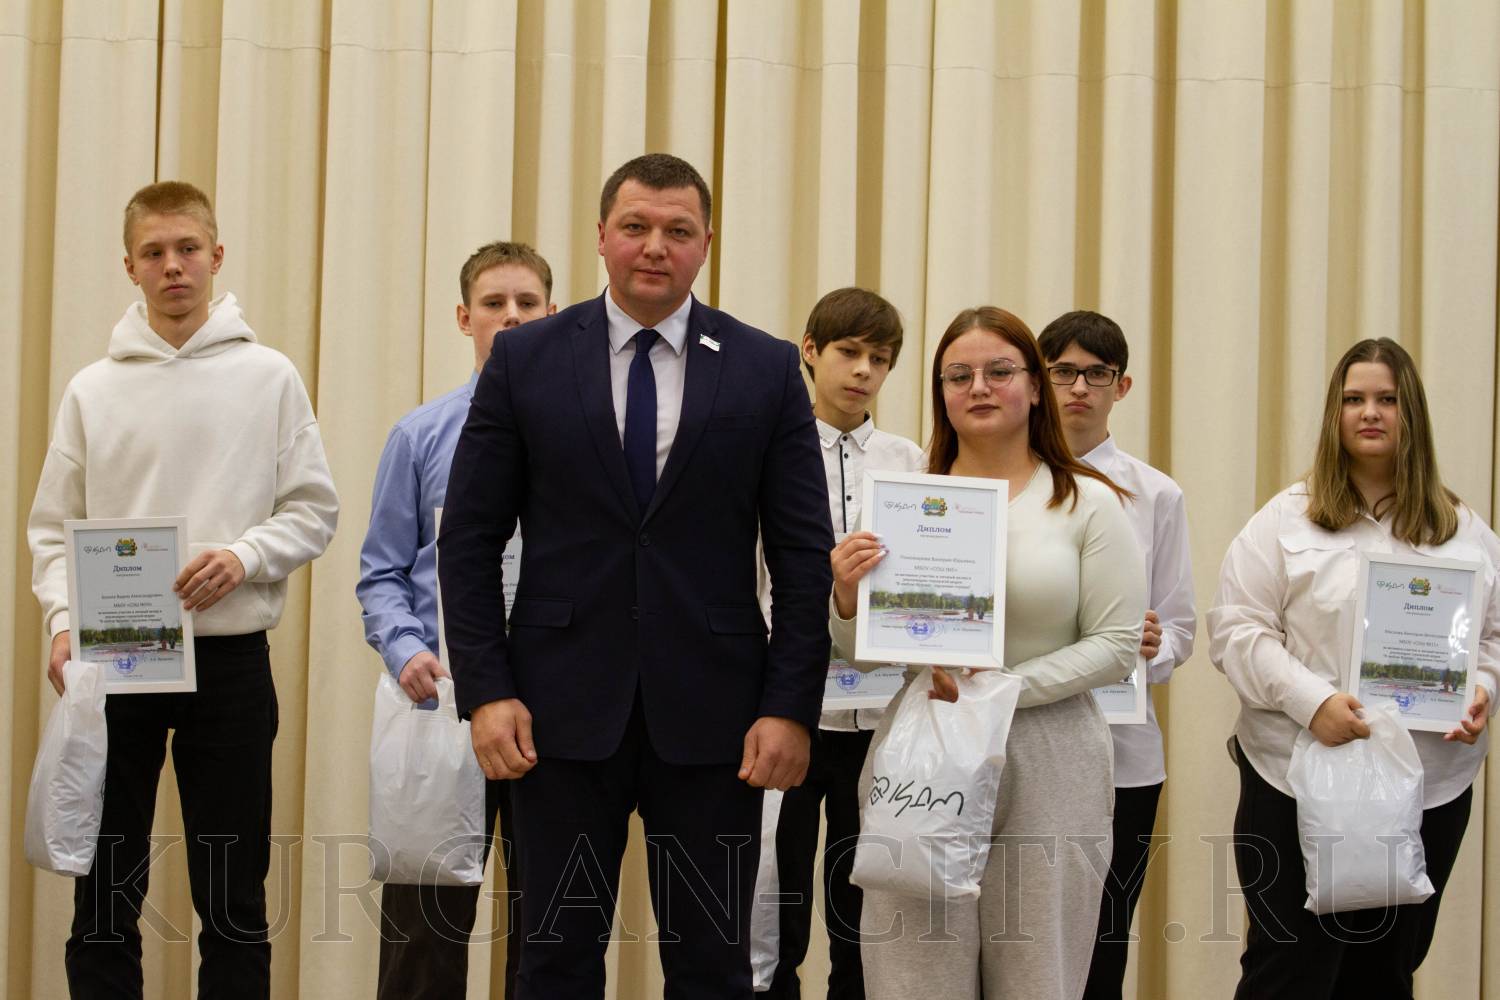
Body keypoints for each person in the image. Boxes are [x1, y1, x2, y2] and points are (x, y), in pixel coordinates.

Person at [436, 153, 834, 998]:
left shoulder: (763, 368)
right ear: (601, 236)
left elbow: (803, 556)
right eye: (636, 226)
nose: (656, 246)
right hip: (554, 714)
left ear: (706, 244)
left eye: (678, 230)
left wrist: (790, 705)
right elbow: (468, 539)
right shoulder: (526, 359)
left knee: (714, 967)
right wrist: (486, 691)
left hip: (720, 721)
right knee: (553, 962)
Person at [27, 180, 339, 999]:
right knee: (104, 890)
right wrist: (61, 621)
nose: (173, 266)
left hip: (229, 665)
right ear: (129, 266)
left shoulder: (270, 377)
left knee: (233, 897)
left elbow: (314, 509)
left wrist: (246, 555)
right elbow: (54, 529)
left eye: (187, 248)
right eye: (154, 252)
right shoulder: (93, 390)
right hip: (116, 661)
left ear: (216, 255)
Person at [829, 306, 1145, 1000]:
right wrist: (847, 598)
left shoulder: (1089, 503)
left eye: (1000, 371)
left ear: (1034, 386)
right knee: (911, 979)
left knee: (1037, 978)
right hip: (926, 742)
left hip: (1050, 752)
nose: (978, 387)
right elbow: (864, 654)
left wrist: (1000, 690)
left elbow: (1117, 646)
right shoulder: (906, 501)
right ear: (940, 392)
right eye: (958, 375)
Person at [1208, 337, 1498, 999]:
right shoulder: (1285, 520)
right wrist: (1312, 702)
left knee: (1385, 975)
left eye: (1387, 399)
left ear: (1410, 413)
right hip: (1293, 778)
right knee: (1288, 972)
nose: (1370, 412)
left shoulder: (1464, 531)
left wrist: (1482, 689)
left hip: (1426, 786)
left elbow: (1492, 637)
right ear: (1333, 414)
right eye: (1354, 399)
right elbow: (1236, 629)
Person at [357, 241, 556, 1000]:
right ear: (464, 318)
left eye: (527, 304)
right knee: (424, 934)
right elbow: (381, 572)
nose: (511, 317)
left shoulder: (586, 439)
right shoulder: (420, 436)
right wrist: (405, 648)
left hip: (553, 708)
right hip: (442, 707)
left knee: (548, 934)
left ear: (552, 315)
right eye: (494, 304)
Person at [762, 288, 925, 999]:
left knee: (864, 908)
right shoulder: (768, 447)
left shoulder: (911, 460)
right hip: (792, 711)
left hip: (882, 719)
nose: (863, 371)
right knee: (777, 904)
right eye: (848, 352)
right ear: (810, 351)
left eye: (879, 359)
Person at [1037, 310, 1196, 999]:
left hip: (1122, 752)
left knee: (1104, 936)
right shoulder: (1006, 480)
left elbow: (1181, 626)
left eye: (1096, 374)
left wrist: (1157, 648)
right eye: (1063, 372)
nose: (1079, 388)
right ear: (1039, 380)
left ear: (1122, 386)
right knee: (1020, 935)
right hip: (1024, 741)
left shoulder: (1156, 494)